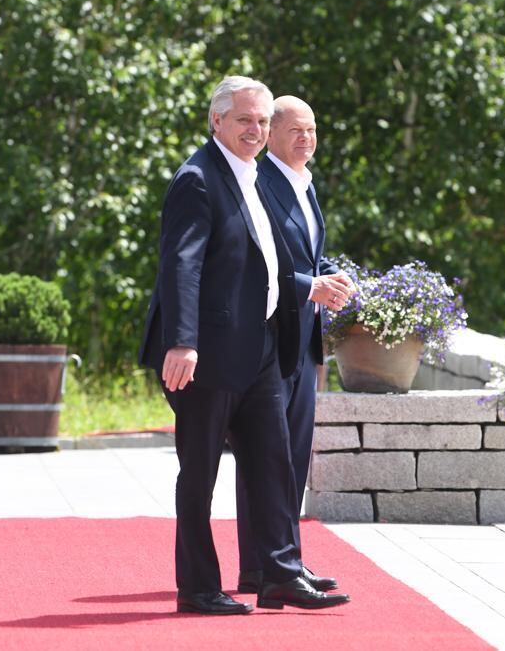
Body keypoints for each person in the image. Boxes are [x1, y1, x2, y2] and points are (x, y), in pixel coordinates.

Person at [139, 76, 350, 615]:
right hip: (207, 356)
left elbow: (271, 262)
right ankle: (199, 587)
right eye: (244, 121)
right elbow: (180, 265)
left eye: (260, 121)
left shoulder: (253, 175)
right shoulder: (198, 179)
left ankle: (277, 574)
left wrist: (309, 289)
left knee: (273, 462)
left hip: (259, 349)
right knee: (201, 472)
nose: (255, 130)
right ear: (217, 122)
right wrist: (182, 343)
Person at [235, 95, 355, 594]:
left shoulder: (305, 186)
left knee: (293, 455)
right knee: (266, 456)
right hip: (269, 341)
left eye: (312, 131)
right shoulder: (260, 183)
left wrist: (331, 274)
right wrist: (311, 284)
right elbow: (258, 262)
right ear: (272, 134)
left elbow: (307, 253)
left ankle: (284, 563)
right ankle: (263, 567)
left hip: (303, 341)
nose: (306, 139)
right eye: (295, 130)